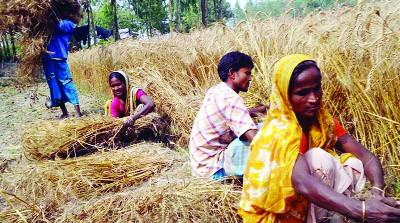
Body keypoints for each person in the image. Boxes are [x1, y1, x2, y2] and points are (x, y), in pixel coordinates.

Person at [239, 54, 400, 223]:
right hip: (278, 214)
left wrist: (377, 192)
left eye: (317, 88)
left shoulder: (322, 121)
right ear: (286, 97)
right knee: (319, 158)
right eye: (302, 93)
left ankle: (338, 216)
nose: (314, 98)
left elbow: (366, 156)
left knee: (354, 164)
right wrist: (361, 211)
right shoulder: (280, 131)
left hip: (308, 200)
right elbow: (303, 182)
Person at [189, 51, 268, 180]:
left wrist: (258, 110)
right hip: (213, 170)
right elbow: (255, 139)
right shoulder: (231, 99)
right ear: (232, 73)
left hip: (200, 166)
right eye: (247, 73)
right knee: (269, 133)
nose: (250, 78)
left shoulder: (217, 90)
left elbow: (230, 116)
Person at [43, 17, 82, 118]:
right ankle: (65, 112)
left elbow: (60, 26)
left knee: (67, 82)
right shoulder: (45, 25)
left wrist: (52, 19)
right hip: (48, 59)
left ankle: (78, 111)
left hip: (60, 58)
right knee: (54, 85)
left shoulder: (68, 23)